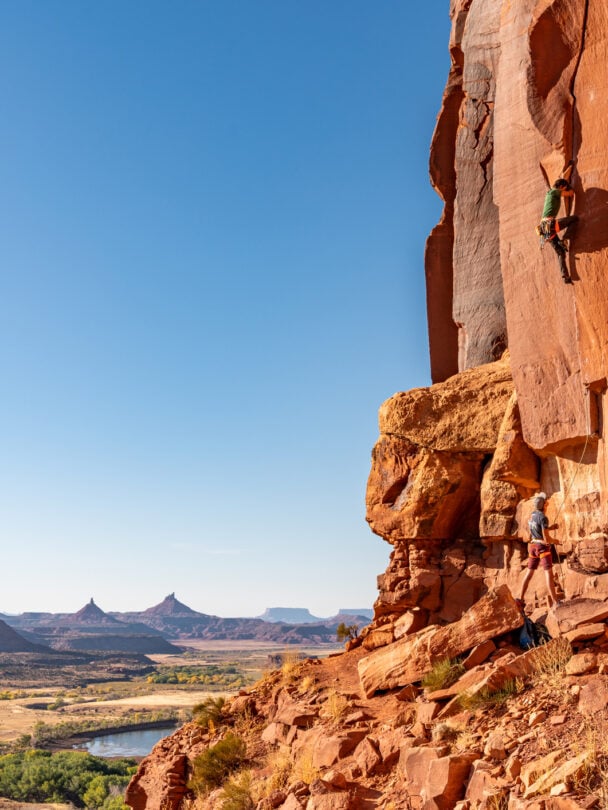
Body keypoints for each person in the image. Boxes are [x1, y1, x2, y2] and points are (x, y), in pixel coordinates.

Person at [517, 493, 561, 609]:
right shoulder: (543, 517)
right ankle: (556, 602)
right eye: (546, 502)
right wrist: (556, 541)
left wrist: (551, 528)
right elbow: (546, 539)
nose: (547, 503)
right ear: (544, 504)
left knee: (529, 573)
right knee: (548, 574)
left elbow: (537, 529)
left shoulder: (532, 515)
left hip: (533, 547)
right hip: (542, 548)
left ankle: (520, 598)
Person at [537, 162, 578, 283]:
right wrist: (569, 188)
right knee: (574, 219)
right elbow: (570, 194)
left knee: (560, 253)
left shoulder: (550, 193)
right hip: (550, 225)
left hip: (544, 230)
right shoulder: (555, 192)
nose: (564, 190)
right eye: (564, 187)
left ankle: (565, 276)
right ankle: (566, 238)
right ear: (560, 187)